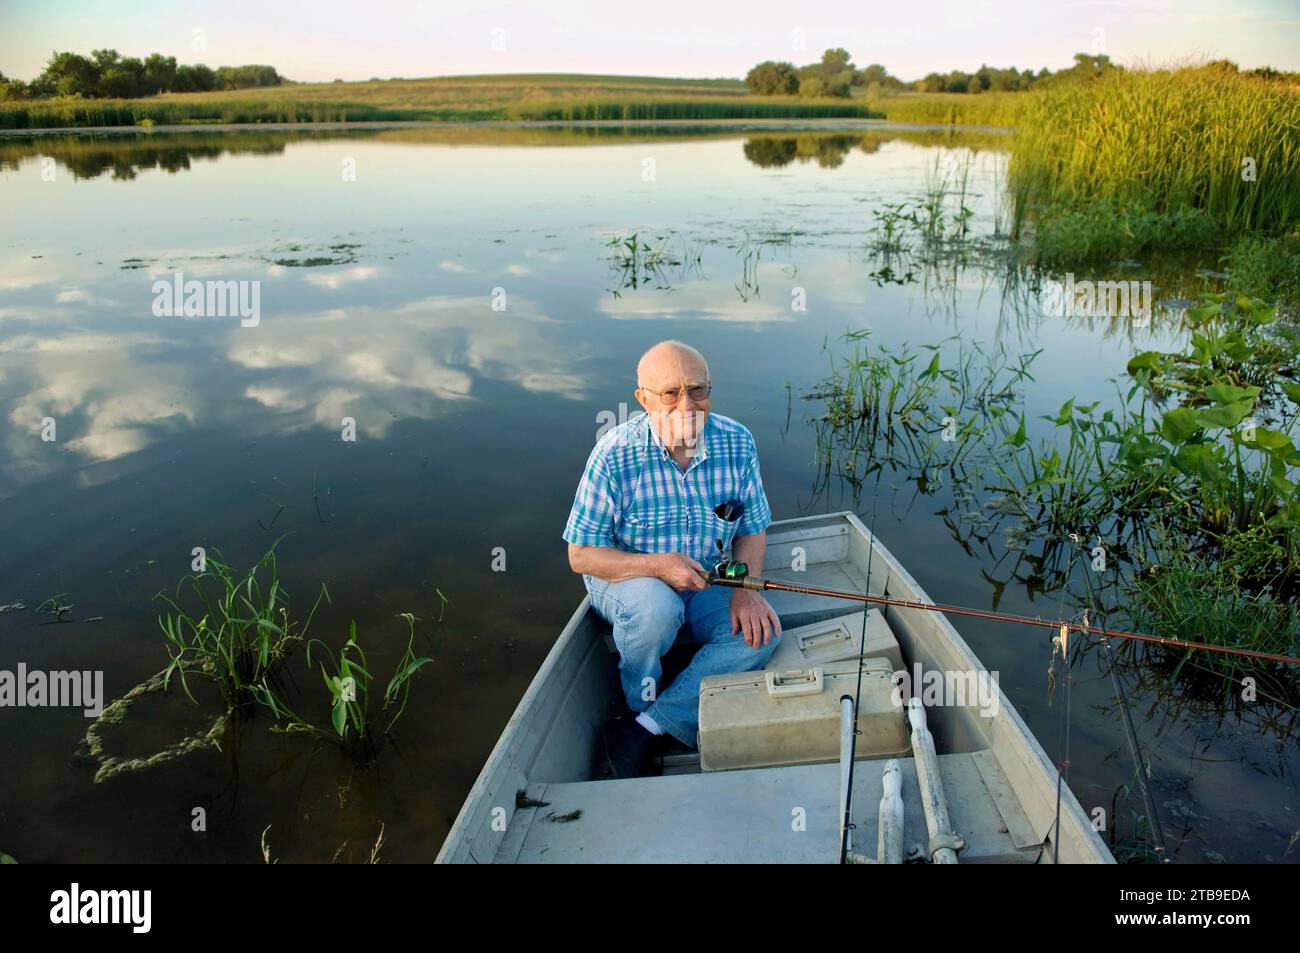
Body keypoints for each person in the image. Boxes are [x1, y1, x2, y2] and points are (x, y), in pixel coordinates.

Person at [562, 340, 782, 778]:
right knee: (655, 608)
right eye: (670, 393)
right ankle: (637, 701)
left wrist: (744, 590)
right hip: (627, 577)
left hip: (706, 577)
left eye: (698, 389)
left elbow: (753, 529)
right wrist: (658, 566)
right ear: (642, 399)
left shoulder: (737, 441)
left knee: (760, 634)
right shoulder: (613, 455)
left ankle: (644, 727)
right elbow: (581, 554)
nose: (688, 404)